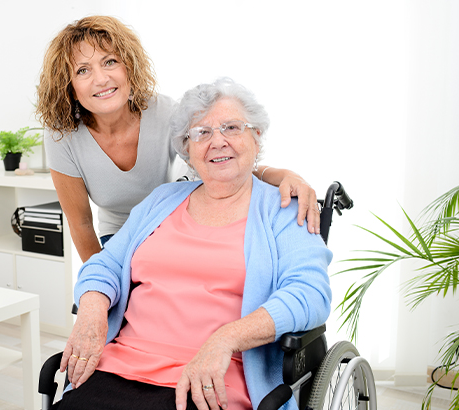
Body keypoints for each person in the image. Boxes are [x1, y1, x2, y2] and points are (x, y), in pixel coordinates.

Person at [55, 78, 332, 410]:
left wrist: (226, 338)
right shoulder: (162, 200)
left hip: (213, 378)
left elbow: (310, 293)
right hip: (119, 367)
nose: (218, 142)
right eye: (202, 133)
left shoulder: (284, 209)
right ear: (187, 149)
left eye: (231, 127)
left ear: (256, 137)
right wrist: (93, 309)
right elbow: (106, 264)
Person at [36, 16, 321, 263]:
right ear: (70, 87)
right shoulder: (64, 137)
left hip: (174, 223)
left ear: (129, 69)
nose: (100, 79)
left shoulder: (165, 113)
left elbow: (219, 159)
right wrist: (102, 289)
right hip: (119, 234)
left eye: (110, 62)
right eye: (83, 70)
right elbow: (82, 223)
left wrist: (281, 174)